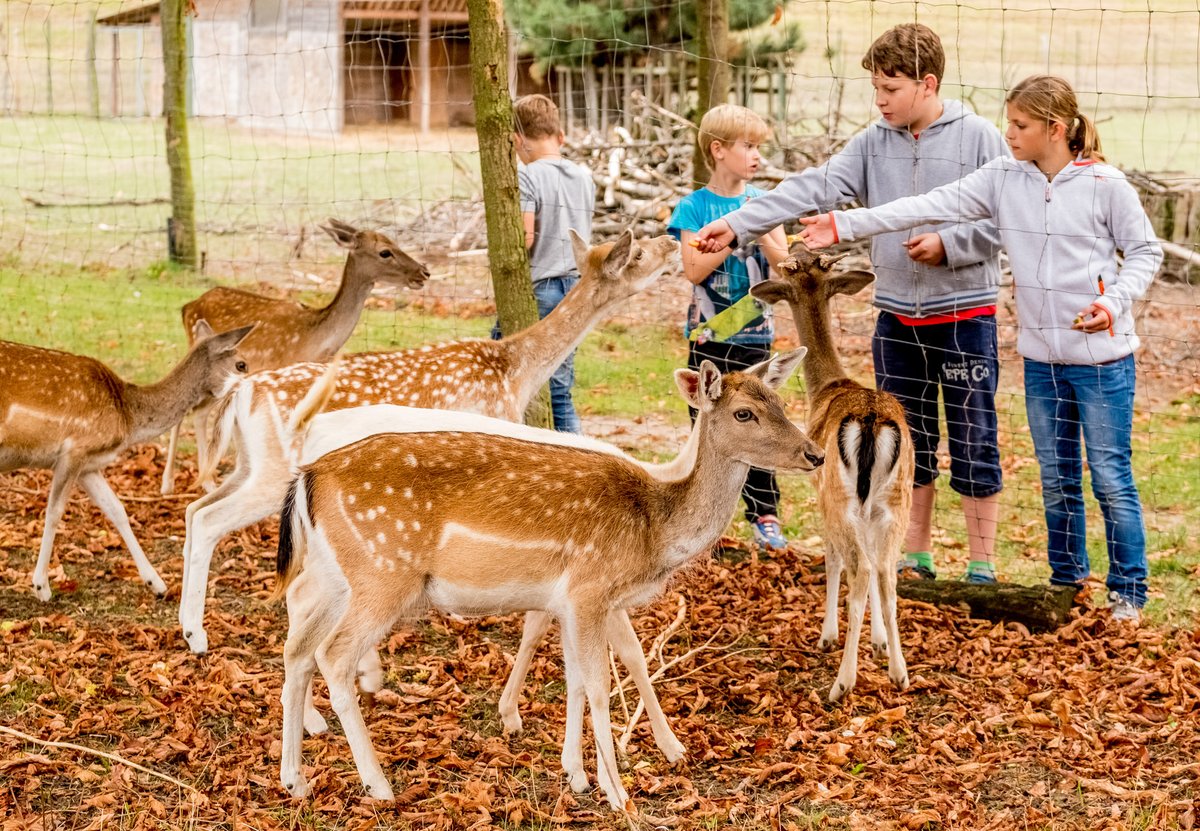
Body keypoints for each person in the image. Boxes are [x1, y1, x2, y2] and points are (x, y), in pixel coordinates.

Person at [799, 74, 1163, 622]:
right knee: (1057, 475)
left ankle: (1128, 591)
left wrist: (1113, 304)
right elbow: (922, 204)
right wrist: (844, 222)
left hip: (1103, 362)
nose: (1009, 133)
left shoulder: (1105, 186)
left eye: (1020, 125)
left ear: (1055, 129)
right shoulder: (1003, 178)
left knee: (1109, 475)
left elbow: (1144, 252)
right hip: (1042, 361)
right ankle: (1067, 581)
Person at [695, 23, 1009, 584]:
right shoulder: (872, 143)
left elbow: (1005, 222)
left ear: (927, 83)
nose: (879, 101)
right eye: (875, 90)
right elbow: (810, 187)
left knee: (973, 435)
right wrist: (737, 224)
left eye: (890, 89)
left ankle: (983, 563)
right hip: (896, 318)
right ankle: (913, 556)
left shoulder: (980, 138)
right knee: (909, 437)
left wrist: (950, 245)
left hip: (965, 315)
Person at [669, 103, 791, 552]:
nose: (757, 155)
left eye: (760, 146)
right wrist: (737, 230)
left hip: (755, 335)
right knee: (708, 429)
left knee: (761, 427)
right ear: (718, 150)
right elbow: (694, 269)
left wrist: (760, 228)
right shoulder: (694, 207)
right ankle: (700, 518)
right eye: (748, 146)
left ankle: (765, 516)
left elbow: (783, 266)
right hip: (710, 338)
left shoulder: (764, 203)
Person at [501, 93, 596, 433]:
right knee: (560, 386)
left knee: (501, 371)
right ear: (561, 137)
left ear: (517, 139)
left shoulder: (527, 176)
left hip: (542, 289)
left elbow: (525, 238)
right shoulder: (584, 177)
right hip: (575, 288)